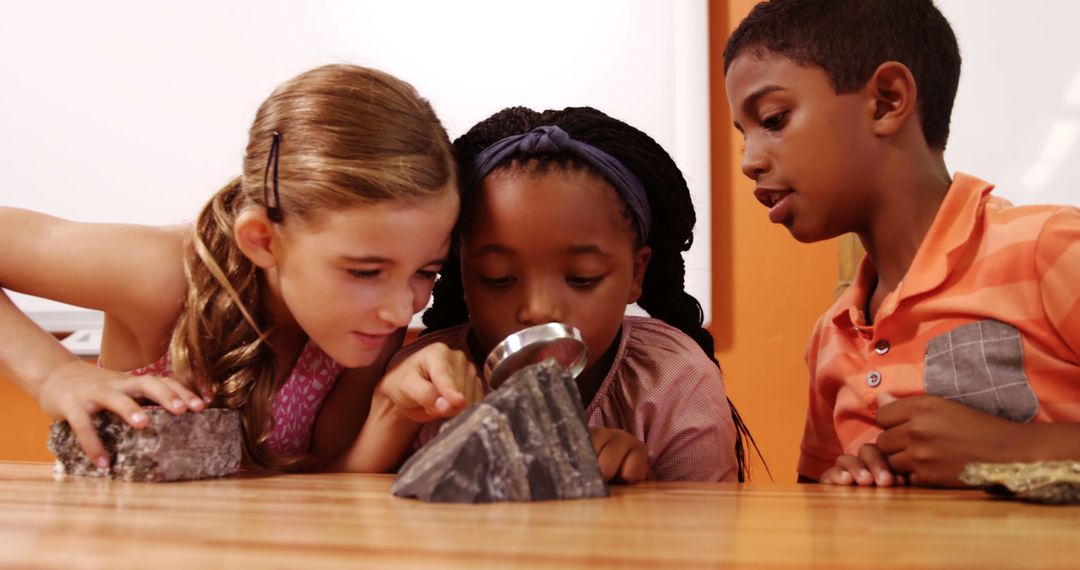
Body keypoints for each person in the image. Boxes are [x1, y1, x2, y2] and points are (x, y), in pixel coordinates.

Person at [0, 64, 478, 471]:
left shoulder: (369, 323)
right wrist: (52, 375)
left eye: (426, 272)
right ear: (263, 239)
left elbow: (326, 476)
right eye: (364, 272)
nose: (401, 310)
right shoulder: (161, 274)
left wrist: (391, 409)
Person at [723, 0, 1080, 487]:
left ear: (887, 101)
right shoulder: (832, 338)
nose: (750, 161)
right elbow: (816, 511)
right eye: (744, 136)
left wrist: (1012, 450)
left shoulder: (1051, 249)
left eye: (774, 118)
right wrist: (843, 489)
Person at [339, 106, 755, 483]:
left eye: (582, 277)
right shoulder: (423, 383)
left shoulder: (674, 381)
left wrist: (641, 490)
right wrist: (393, 417)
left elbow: (709, 540)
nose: (538, 310)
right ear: (461, 274)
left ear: (635, 273)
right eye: (498, 278)